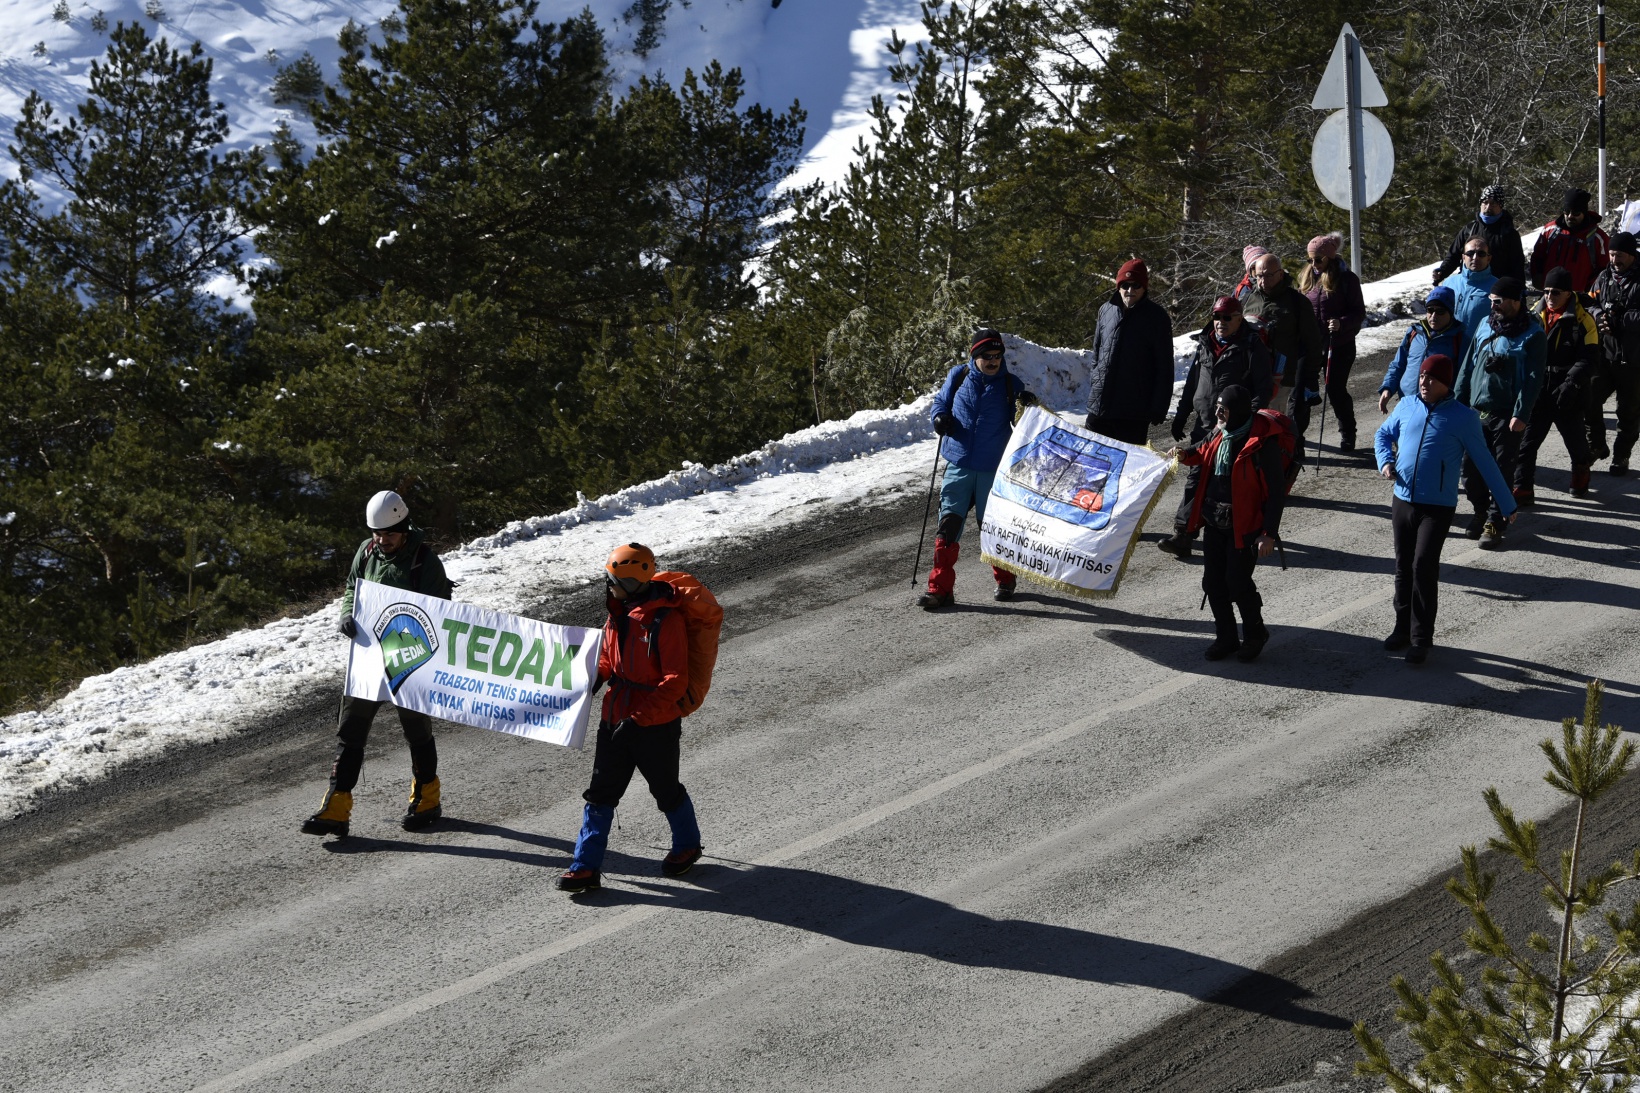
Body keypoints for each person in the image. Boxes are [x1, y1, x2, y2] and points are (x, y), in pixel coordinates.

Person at [302, 490, 454, 839]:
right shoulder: (367, 551)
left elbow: (442, 613)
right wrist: (345, 614)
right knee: (351, 728)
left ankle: (427, 799)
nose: (381, 540)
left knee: (417, 730)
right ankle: (336, 807)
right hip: (369, 657)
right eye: (377, 533)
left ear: (404, 527)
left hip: (410, 660)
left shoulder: (425, 562)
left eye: (388, 534)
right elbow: (351, 587)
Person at [556, 543, 705, 894]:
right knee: (599, 795)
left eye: (612, 580)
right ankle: (585, 866)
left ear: (632, 581)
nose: (608, 586)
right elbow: (608, 658)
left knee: (666, 790)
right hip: (615, 717)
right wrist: (594, 680)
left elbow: (675, 681)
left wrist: (639, 718)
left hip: (654, 724)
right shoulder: (617, 612)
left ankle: (687, 845)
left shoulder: (665, 621)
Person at [1375, 354, 1518, 664]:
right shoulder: (1408, 405)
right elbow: (1383, 434)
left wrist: (1506, 503)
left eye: (1432, 379)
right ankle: (1400, 628)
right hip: (1403, 499)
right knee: (1403, 566)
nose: (1424, 382)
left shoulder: (1463, 417)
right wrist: (1385, 460)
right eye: (1423, 376)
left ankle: (1421, 638)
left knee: (1423, 566)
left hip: (1437, 506)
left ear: (1446, 384)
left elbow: (1485, 461)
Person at [920, 329, 1039, 608]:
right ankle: (940, 589)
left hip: (992, 468)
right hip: (958, 464)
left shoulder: (1011, 384)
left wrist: (1028, 407)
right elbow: (941, 403)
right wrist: (939, 417)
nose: (993, 360)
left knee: (994, 529)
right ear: (975, 356)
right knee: (947, 529)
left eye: (997, 356)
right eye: (987, 356)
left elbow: (1022, 425)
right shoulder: (958, 376)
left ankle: (1005, 579)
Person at [1170, 385, 1286, 662]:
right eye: (1217, 407)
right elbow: (1201, 450)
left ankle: (1256, 634)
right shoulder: (1219, 432)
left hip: (1244, 528)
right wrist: (1185, 454)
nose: (1218, 413)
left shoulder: (1261, 443)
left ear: (1239, 413)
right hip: (1214, 521)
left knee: (1237, 582)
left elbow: (1276, 492)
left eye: (1223, 409)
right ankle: (1226, 638)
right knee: (1212, 583)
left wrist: (1268, 533)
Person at [1159, 295, 1272, 559]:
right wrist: (1182, 413)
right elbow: (1194, 380)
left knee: (1226, 484)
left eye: (1227, 317)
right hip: (1206, 424)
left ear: (1239, 318)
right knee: (1196, 477)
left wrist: (1246, 422)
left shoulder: (1252, 346)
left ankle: (1237, 534)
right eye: (1216, 317)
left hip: (1234, 430)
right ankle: (1183, 535)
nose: (1220, 322)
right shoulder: (1206, 343)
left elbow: (1263, 389)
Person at [1453, 276, 1545, 549]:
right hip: (1476, 410)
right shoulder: (1484, 324)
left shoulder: (1533, 335)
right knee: (1469, 469)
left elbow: (1533, 379)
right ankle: (1480, 511)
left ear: (1516, 301)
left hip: (1507, 415)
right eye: (1491, 301)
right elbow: (1467, 367)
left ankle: (1495, 520)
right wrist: (1456, 403)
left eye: (1498, 301)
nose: (1492, 305)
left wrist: (1522, 413)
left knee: (1502, 469)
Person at [1515, 266, 1598, 503]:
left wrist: (1571, 384)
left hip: (1569, 392)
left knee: (1576, 443)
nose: (1550, 297)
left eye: (1556, 292)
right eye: (1547, 291)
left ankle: (1580, 476)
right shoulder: (1533, 315)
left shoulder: (1583, 320)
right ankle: (1522, 488)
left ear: (1569, 293)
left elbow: (1589, 359)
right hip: (1538, 390)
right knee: (1527, 443)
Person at [1085, 259, 1174, 445]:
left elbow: (1164, 367)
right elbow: (1097, 354)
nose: (1130, 291)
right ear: (1118, 286)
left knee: (1127, 469)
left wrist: (1159, 407)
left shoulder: (1157, 317)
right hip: (1099, 407)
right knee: (1091, 465)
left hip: (1133, 411)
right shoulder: (1105, 310)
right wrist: (1096, 383)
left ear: (1144, 288)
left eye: (1136, 285)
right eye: (1125, 285)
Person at [1243, 253, 1325, 437]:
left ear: (1280, 274)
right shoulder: (1247, 299)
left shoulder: (1297, 303)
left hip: (1282, 377)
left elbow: (1312, 342)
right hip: (1251, 375)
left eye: (1268, 275)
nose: (1263, 280)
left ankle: (1284, 457)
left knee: (1275, 423)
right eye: (1259, 276)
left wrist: (1310, 377)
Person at [1299, 232, 1366, 449]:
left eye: (1318, 259)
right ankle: (1295, 434)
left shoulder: (1347, 279)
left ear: (1330, 257)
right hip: (1312, 344)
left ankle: (1348, 433)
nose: (1314, 264)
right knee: (1302, 389)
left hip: (1339, 344)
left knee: (1335, 389)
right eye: (1310, 259)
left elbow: (1358, 312)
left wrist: (1341, 323)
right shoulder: (1308, 276)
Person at [1585, 231, 1640, 475]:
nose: (1614, 259)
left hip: (1633, 358)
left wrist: (1621, 320)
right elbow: (1590, 302)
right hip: (1604, 354)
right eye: (1611, 253)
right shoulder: (1604, 276)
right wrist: (1600, 317)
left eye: (1619, 255)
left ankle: (1621, 456)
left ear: (1631, 255)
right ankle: (1596, 445)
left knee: (1627, 411)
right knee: (1589, 399)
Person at [1379, 286, 1466, 410]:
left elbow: (1464, 376)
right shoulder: (1414, 332)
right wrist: (1388, 388)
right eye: (1430, 310)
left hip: (1438, 407)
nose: (1434, 316)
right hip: (1407, 402)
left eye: (1440, 311)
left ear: (1451, 313)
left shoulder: (1459, 338)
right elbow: (1398, 364)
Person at [1431, 184, 1527, 286]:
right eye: (1485, 202)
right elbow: (1453, 256)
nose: (1488, 207)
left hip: (1496, 289)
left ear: (1500, 206)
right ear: (1480, 204)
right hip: (1468, 285)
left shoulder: (1509, 234)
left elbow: (1517, 266)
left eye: (1493, 203)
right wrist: (1442, 272)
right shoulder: (1469, 229)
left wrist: (1519, 292)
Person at [1530, 187, 1610, 294]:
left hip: (1580, 298)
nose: (1570, 216)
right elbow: (1537, 257)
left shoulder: (1597, 237)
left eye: (1576, 213)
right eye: (1567, 211)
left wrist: (1590, 290)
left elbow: (1604, 269)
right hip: (1550, 295)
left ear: (1584, 212)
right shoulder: (1550, 230)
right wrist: (1538, 278)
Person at [1439, 233, 1498, 343]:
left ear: (1489, 258)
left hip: (1479, 350)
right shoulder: (1448, 283)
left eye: (1481, 254)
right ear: (1463, 257)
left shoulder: (1497, 287)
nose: (1475, 258)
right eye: (1470, 253)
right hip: (1449, 348)